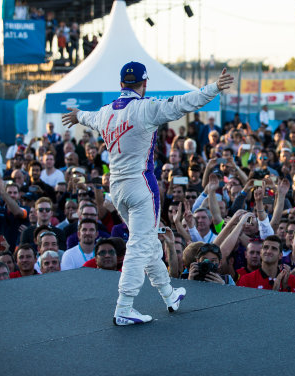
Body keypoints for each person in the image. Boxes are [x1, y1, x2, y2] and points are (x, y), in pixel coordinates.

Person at [62, 62, 234, 326]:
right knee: (140, 245)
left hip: (117, 189)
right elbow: (184, 103)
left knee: (150, 243)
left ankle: (169, 295)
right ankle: (124, 307)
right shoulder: (147, 107)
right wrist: (214, 88)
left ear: (120, 84)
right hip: (141, 187)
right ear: (145, 84)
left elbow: (88, 117)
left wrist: (76, 115)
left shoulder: (106, 112)